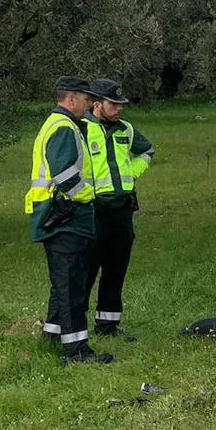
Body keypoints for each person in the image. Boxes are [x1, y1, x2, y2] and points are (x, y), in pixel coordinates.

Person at [27, 76, 112, 364]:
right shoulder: (64, 128)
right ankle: (76, 351)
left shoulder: (61, 124)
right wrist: (88, 195)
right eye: (87, 100)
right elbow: (65, 176)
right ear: (71, 98)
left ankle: (53, 336)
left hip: (56, 216)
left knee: (62, 282)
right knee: (72, 286)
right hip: (66, 217)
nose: (90, 106)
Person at [83, 78, 154, 339]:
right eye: (114, 104)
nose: (120, 108)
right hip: (92, 210)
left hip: (121, 210)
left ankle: (108, 325)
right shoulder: (82, 129)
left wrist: (131, 175)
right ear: (97, 104)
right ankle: (76, 326)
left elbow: (148, 151)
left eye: (122, 104)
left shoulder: (126, 129)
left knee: (115, 269)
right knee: (87, 270)